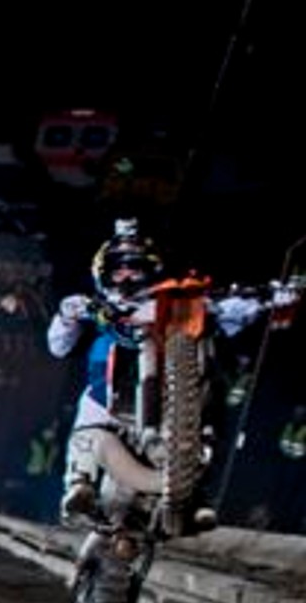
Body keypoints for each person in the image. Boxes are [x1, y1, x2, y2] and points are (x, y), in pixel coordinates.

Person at [48, 217, 292, 531]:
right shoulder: (99, 307)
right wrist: (68, 315)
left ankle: (196, 496)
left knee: (214, 399)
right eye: (119, 269)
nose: (126, 276)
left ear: (151, 269)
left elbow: (230, 309)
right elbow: (57, 346)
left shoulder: (177, 301)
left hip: (175, 399)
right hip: (111, 408)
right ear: (104, 273)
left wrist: (270, 297)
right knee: (92, 397)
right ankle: (79, 483)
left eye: (134, 268)